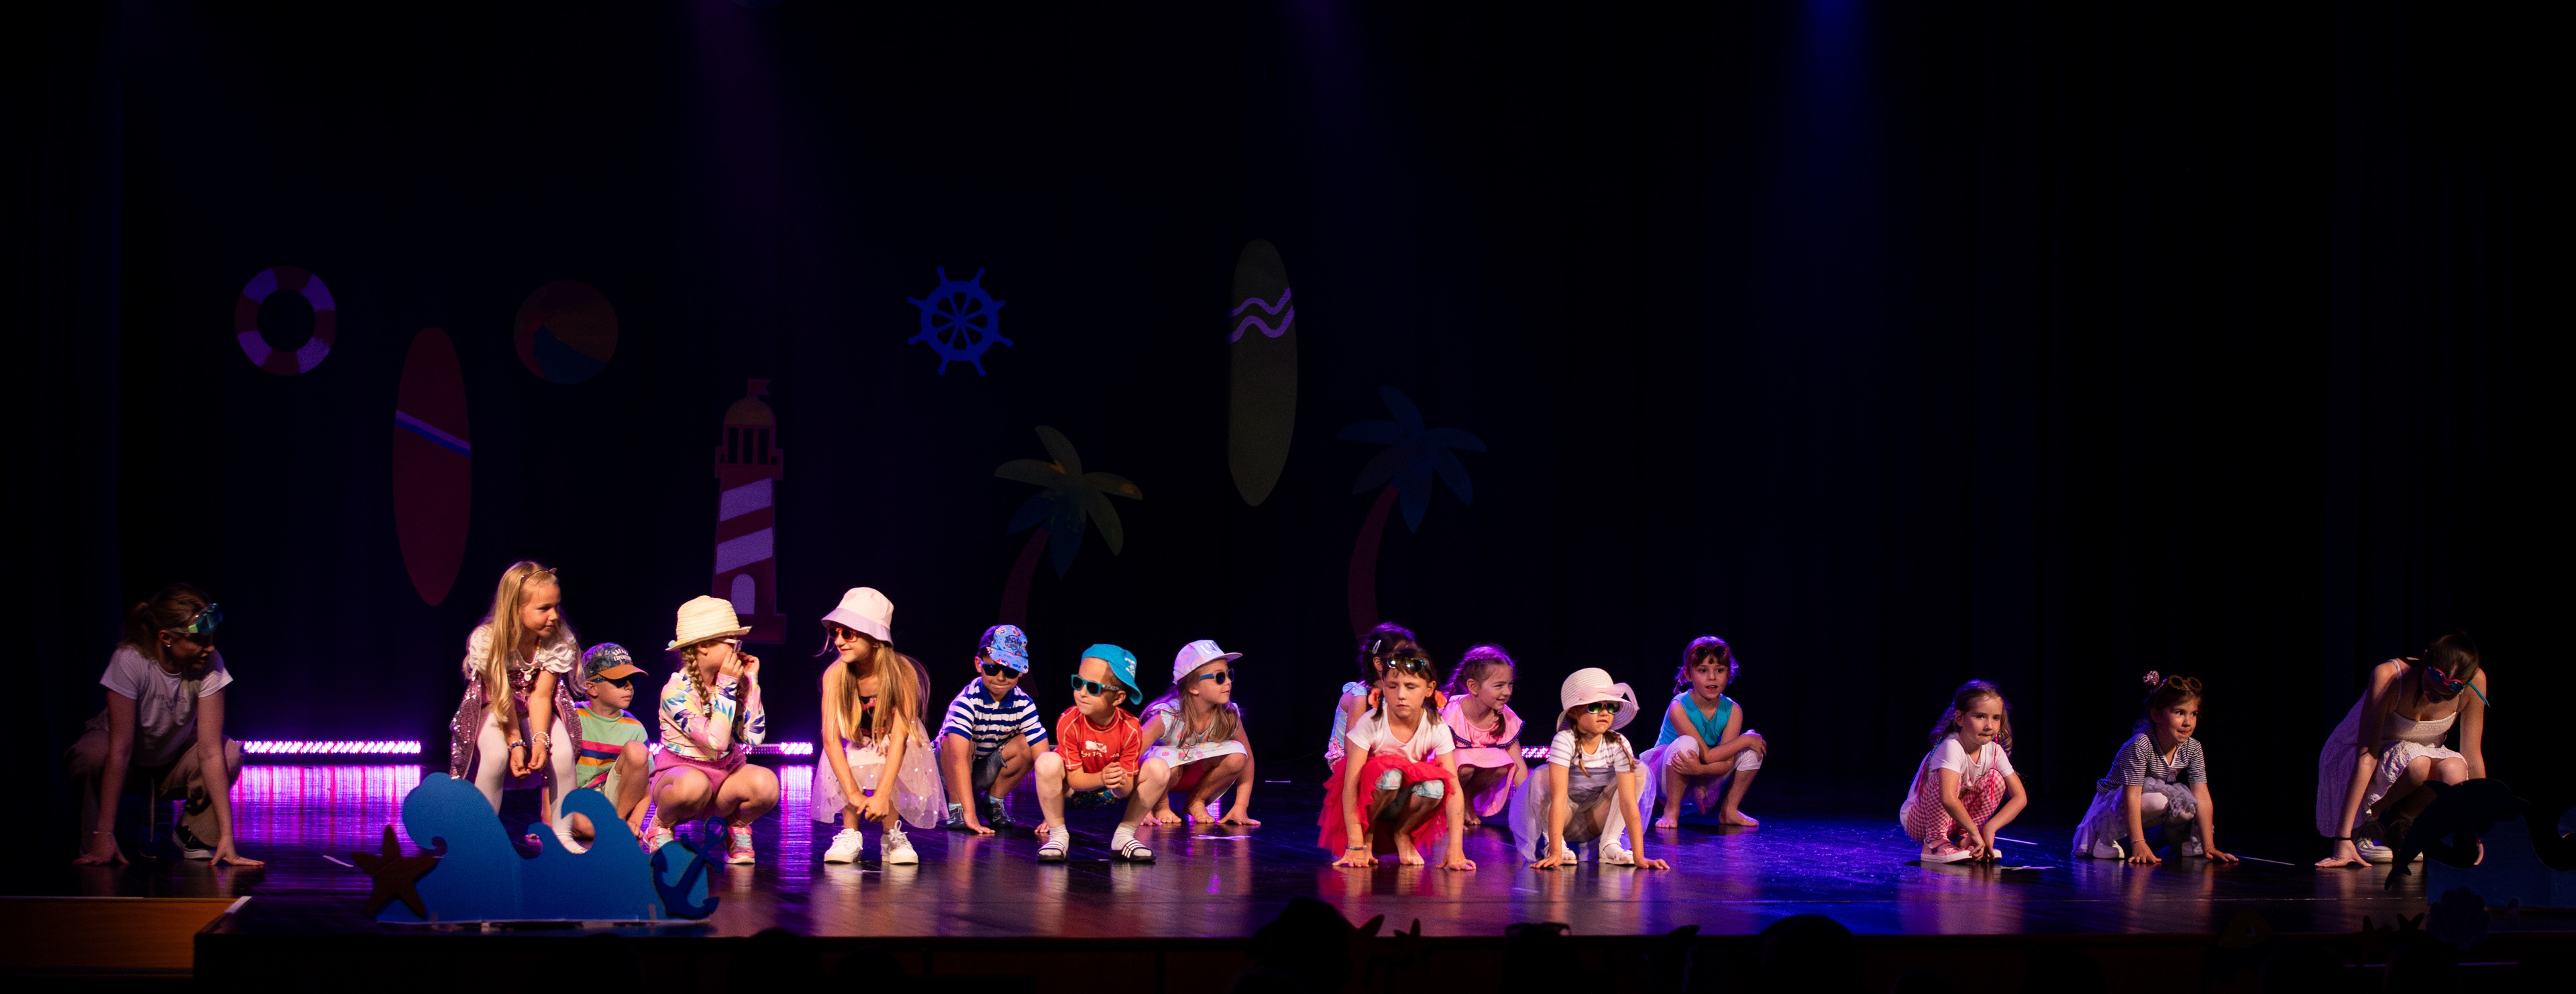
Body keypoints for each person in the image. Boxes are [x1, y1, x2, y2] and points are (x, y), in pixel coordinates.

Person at [66, 584, 259, 866]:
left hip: (171, 759)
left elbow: (209, 751)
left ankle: (194, 833)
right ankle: (98, 837)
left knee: (229, 752)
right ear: (166, 637)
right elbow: (121, 749)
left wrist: (227, 837)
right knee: (93, 755)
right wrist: (105, 832)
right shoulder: (131, 659)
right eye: (199, 640)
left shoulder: (210, 662)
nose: (210, 647)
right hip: (123, 762)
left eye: (211, 638)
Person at [2315, 632, 2490, 868]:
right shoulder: (2389, 676)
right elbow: (2367, 756)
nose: (2434, 697)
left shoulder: (2476, 682)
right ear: (2426, 659)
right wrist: (2342, 839)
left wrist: (2475, 829)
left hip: (2411, 759)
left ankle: (2403, 823)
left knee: (2455, 771)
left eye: (2445, 695)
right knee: (2418, 765)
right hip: (2356, 756)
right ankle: (2366, 822)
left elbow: (2472, 756)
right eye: (2430, 686)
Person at [447, 560, 586, 851]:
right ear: (515, 610)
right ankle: (479, 837)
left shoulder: (556, 642)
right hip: (496, 710)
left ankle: (563, 835)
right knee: (496, 756)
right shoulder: (489, 641)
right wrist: (515, 744)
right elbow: (501, 698)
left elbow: (541, 697)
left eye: (556, 606)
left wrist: (540, 740)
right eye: (543, 608)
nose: (554, 616)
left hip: (535, 709)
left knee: (561, 754)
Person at [812, 587, 941, 864]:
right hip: (855, 740)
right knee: (851, 753)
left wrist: (881, 795)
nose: (839, 641)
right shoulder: (835, 675)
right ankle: (850, 833)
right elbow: (830, 739)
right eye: (835, 632)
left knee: (886, 753)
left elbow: (900, 738)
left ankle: (891, 834)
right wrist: (853, 794)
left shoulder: (902, 673)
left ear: (874, 639)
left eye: (848, 634)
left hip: (898, 744)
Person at [644, 596, 778, 862]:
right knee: (694, 785)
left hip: (725, 777)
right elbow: (716, 741)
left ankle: (736, 826)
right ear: (704, 646)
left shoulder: (730, 682)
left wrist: (751, 681)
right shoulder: (675, 692)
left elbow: (754, 737)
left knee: (767, 785)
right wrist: (728, 686)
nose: (738, 649)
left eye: (739, 643)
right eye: (731, 642)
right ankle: (660, 826)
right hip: (681, 779)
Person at [1322, 646, 1474, 871]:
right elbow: (1351, 785)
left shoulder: (1436, 726)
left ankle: (1402, 833)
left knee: (1436, 786)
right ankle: (1368, 834)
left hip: (1404, 802)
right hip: (1370, 800)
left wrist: (1456, 849)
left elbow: (1454, 790)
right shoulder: (1371, 722)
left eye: (1411, 687)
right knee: (1390, 776)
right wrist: (1355, 843)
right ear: (1383, 687)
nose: (1401, 695)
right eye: (1393, 686)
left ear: (1429, 689)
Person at [1510, 668, 1670, 870]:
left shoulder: (1618, 743)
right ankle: (1555, 845)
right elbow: (1558, 798)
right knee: (1541, 775)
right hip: (1564, 820)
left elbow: (1629, 803)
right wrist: (1557, 852)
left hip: (1596, 819)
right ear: (1574, 712)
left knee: (1639, 772)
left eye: (1611, 706)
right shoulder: (1565, 741)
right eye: (1595, 706)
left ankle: (1610, 844)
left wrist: (1640, 857)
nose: (1604, 713)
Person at [2072, 673, 2237, 863]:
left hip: (2145, 804)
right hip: (2113, 806)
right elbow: (2132, 795)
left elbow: (2202, 795)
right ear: (2157, 715)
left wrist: (2209, 846)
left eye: (2193, 714)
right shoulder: (2141, 744)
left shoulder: (2193, 747)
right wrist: (2138, 843)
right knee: (2158, 801)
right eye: (2179, 713)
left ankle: (2173, 839)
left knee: (2187, 807)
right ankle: (2104, 839)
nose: (2188, 722)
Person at [1032, 644, 1170, 861]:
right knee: (1046, 761)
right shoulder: (1069, 721)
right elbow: (1075, 780)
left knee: (1159, 767)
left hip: (1112, 794)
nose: (1082, 693)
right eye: (1079, 683)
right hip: (1073, 791)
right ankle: (1058, 836)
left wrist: (1121, 780)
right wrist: (1102, 777)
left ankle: (1124, 836)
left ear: (1118, 698)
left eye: (1093, 688)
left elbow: (1125, 791)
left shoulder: (1130, 728)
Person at [1640, 636, 1766, 828]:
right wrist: (1745, 740)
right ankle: (1671, 810)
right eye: (1703, 670)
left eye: (1720, 670)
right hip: (1669, 776)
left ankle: (1729, 811)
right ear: (1688, 675)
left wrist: (1701, 770)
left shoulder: (1733, 710)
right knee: (1688, 744)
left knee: (1753, 750)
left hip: (1702, 775)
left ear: (1729, 674)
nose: (1712, 677)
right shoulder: (1678, 707)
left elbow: (1726, 762)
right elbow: (1706, 755)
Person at [1898, 680, 2028, 864]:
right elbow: (1948, 798)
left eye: (1996, 718)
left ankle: (1965, 839)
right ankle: (1934, 843)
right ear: (1960, 719)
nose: (1989, 726)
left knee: (1996, 779)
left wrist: (1989, 829)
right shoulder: (1951, 746)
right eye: (1980, 717)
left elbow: (2020, 797)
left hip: (1955, 821)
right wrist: (1976, 831)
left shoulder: (1994, 751)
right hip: (1921, 822)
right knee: (1946, 780)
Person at [936, 624, 1046, 836]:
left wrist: (1052, 814)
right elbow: (958, 759)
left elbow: (1044, 759)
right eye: (993, 669)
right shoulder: (966, 702)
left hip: (980, 770)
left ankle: (993, 801)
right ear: (979, 664)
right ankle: (957, 806)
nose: (1001, 677)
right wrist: (969, 813)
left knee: (1028, 744)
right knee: (952, 740)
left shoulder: (1024, 704)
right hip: (946, 774)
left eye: (1010, 671)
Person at [1142, 639, 1259, 826]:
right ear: (1193, 687)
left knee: (1238, 754)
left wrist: (1241, 806)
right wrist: (1141, 808)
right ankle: (1161, 806)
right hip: (1158, 784)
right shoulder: (1167, 716)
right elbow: (1131, 755)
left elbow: (1248, 760)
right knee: (1165, 760)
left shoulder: (1228, 715)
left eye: (1229, 674)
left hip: (1191, 781)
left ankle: (1196, 801)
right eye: (1219, 677)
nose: (1228, 682)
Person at [565, 644, 653, 843]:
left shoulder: (635, 728)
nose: (629, 687)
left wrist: (635, 822)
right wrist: (548, 824)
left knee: (636, 750)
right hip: (577, 802)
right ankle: (608, 829)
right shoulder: (572, 717)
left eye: (632, 680)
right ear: (592, 688)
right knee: (582, 825)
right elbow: (552, 774)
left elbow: (646, 789)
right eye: (620, 681)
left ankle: (618, 824)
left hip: (614, 805)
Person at [1438, 644, 1525, 828]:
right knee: (1466, 767)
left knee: (1504, 764)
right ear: (1473, 687)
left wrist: (1527, 811)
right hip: (1446, 773)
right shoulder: (1452, 714)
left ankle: (1467, 798)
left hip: (1467, 772)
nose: (1507, 692)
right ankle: (1447, 810)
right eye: (1499, 685)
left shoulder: (1506, 717)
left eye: (1510, 684)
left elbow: (1518, 765)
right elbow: (1441, 762)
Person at [1324, 623, 1423, 768]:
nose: (1409, 666)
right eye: (1401, 659)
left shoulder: (1402, 693)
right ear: (1379, 664)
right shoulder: (1360, 696)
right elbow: (1352, 753)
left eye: (1412, 660)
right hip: (1355, 764)